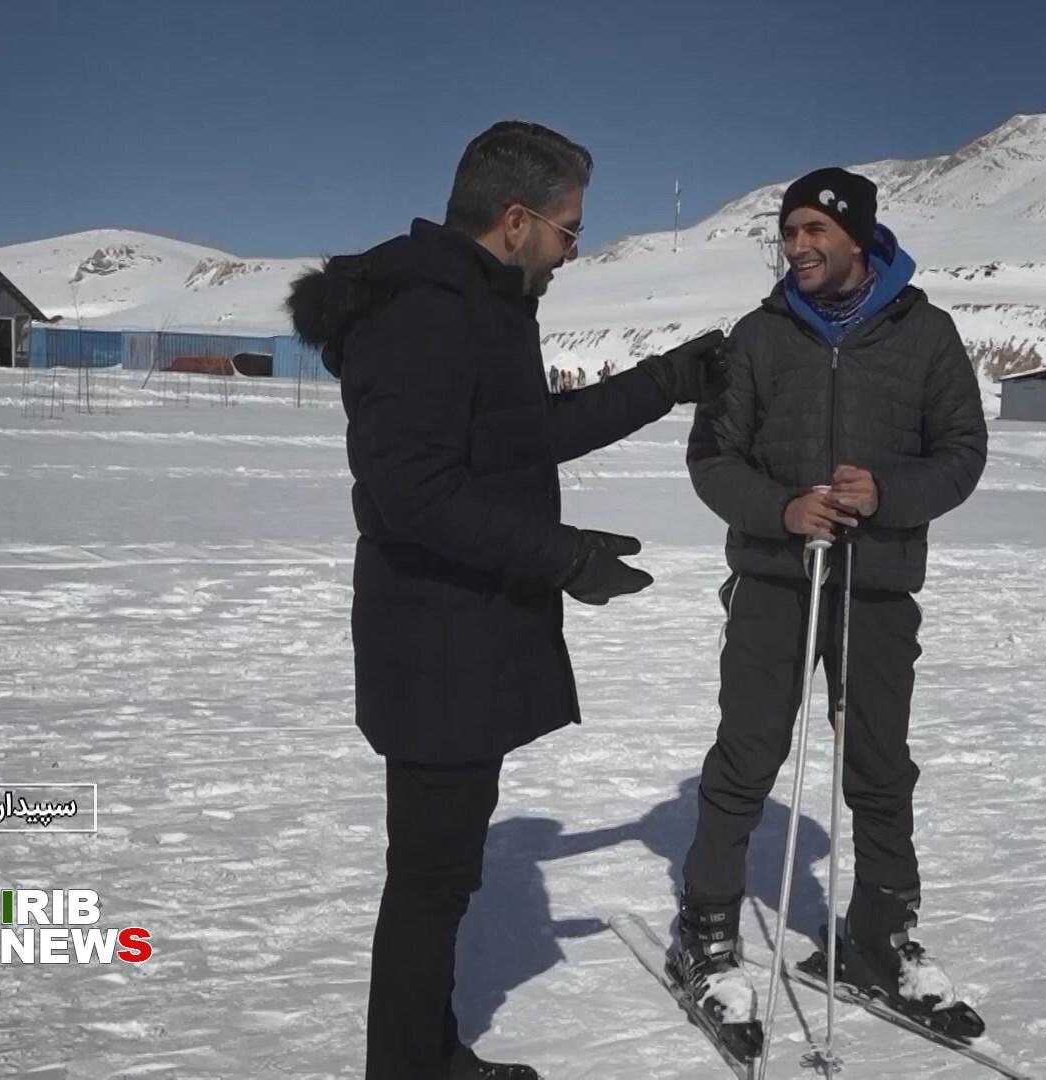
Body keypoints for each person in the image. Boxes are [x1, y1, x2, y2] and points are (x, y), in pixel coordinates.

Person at [286, 120, 729, 1080]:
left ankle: (427, 1054)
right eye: (570, 230)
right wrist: (564, 558)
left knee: (442, 878)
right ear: (517, 219)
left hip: (460, 636)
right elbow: (412, 493)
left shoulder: (477, 303)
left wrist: (666, 381)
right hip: (434, 642)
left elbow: (526, 434)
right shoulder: (427, 313)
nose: (573, 251)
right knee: (428, 883)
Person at [671, 166, 989, 1052]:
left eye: (815, 230)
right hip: (776, 581)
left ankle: (880, 936)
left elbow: (962, 452)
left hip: (877, 587)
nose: (798, 247)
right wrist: (782, 509)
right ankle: (705, 931)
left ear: (858, 237)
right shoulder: (759, 336)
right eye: (788, 232)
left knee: (881, 768)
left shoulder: (926, 334)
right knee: (746, 758)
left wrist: (887, 492)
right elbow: (712, 458)